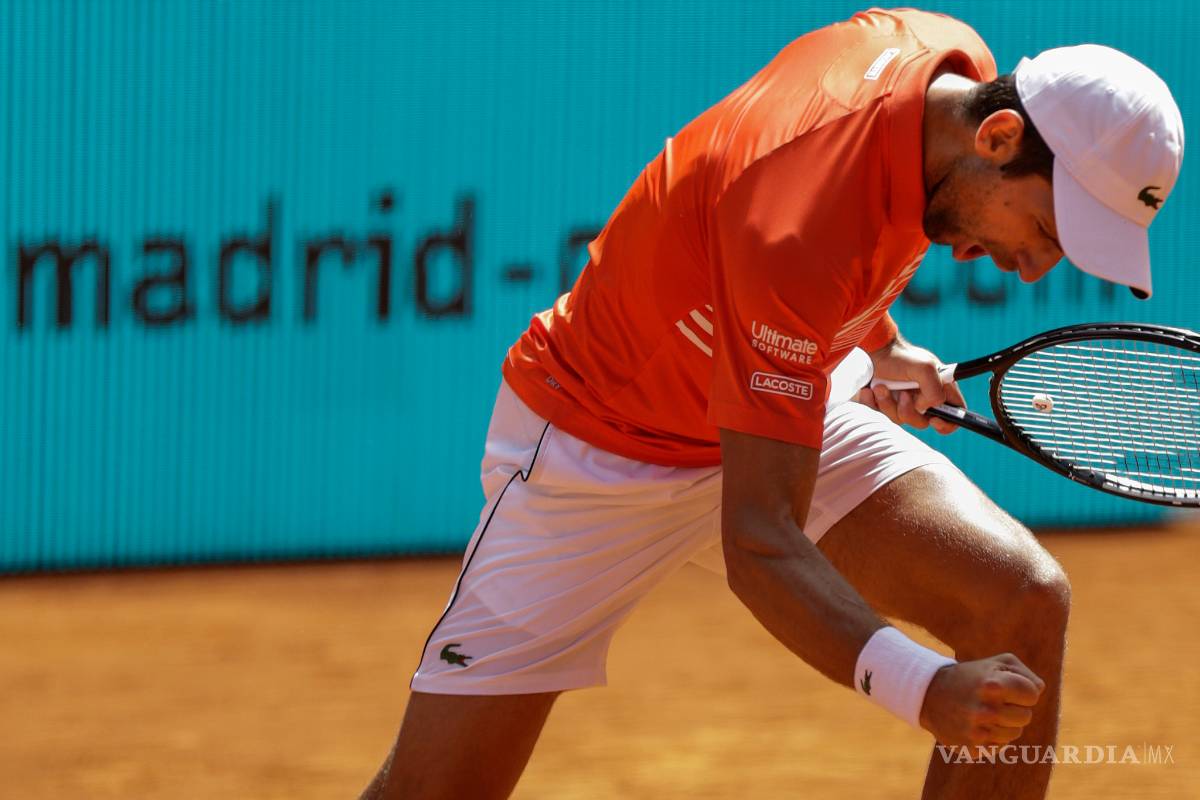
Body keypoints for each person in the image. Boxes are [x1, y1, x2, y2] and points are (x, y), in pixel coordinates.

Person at [361, 8, 1184, 799]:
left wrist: (880, 344)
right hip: (596, 445)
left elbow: (832, 230)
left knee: (1022, 603)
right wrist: (925, 689)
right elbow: (760, 542)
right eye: (1046, 229)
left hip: (765, 399)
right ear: (999, 137)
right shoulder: (797, 219)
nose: (1033, 268)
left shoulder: (941, 67)